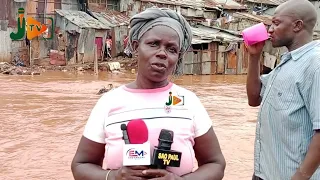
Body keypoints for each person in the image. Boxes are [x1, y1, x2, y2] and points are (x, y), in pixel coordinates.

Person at [71, 7, 226, 180]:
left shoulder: (189, 102)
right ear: (136, 47)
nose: (162, 53)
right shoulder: (108, 103)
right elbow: (80, 166)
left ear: (178, 57)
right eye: (154, 44)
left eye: (172, 49)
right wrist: (114, 177)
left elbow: (216, 164)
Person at [245, 0, 320, 180]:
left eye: (276, 23)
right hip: (266, 172)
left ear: (297, 26)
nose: (270, 29)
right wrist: (254, 58)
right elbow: (254, 99)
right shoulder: (287, 62)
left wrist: (300, 177)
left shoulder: (315, 65)